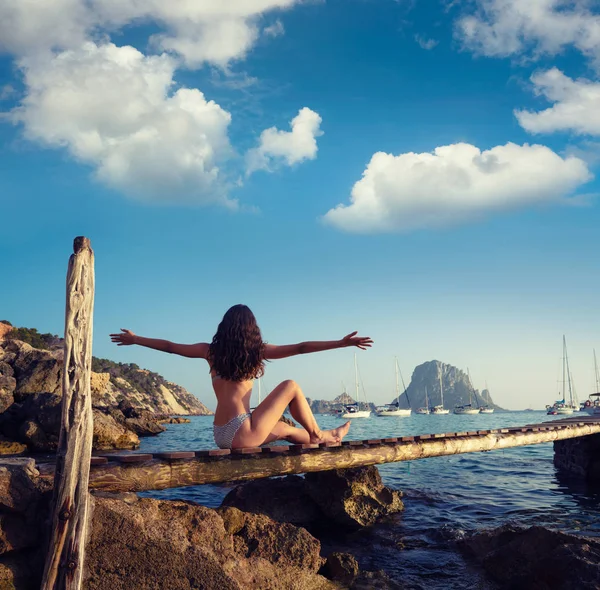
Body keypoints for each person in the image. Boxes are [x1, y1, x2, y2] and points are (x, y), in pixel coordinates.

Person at [110, 304, 373, 450]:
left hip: (220, 434)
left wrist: (136, 340)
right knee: (291, 386)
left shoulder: (210, 352)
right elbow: (301, 347)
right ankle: (317, 434)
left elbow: (169, 346)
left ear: (224, 328)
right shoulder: (257, 352)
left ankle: (329, 436)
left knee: (284, 429)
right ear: (252, 330)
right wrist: (340, 343)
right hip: (242, 432)